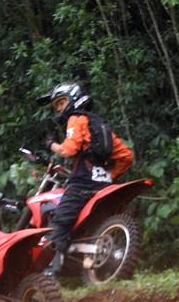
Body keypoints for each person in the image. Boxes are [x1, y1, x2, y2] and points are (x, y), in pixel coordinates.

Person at [36, 82, 134, 278]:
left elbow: (68, 150)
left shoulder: (76, 119)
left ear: (73, 98)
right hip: (103, 185)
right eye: (56, 105)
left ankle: (51, 273)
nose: (59, 108)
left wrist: (50, 144)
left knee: (60, 223)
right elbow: (126, 156)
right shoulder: (100, 124)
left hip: (82, 183)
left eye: (61, 102)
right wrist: (109, 176)